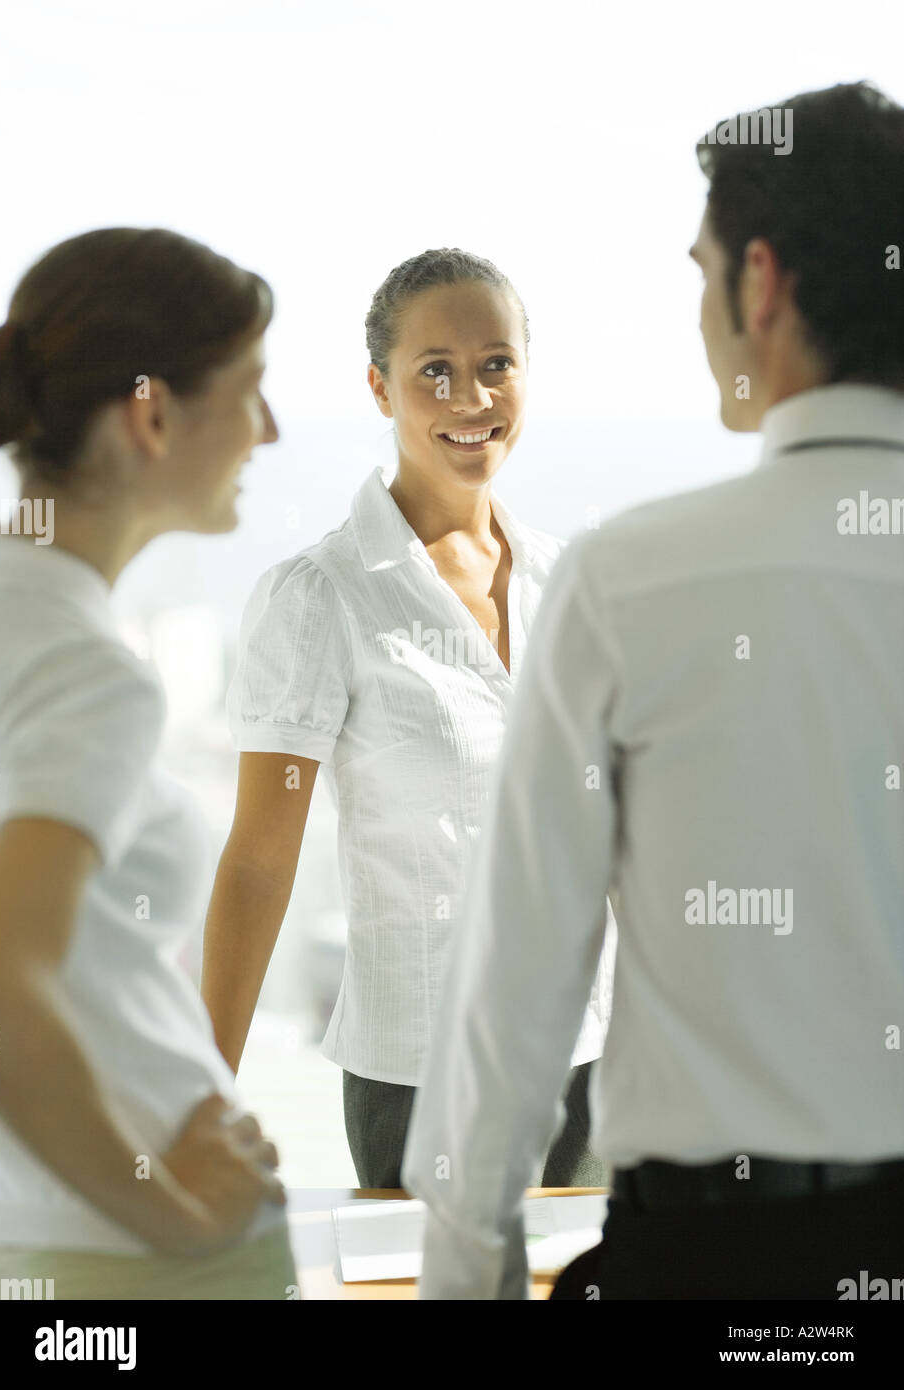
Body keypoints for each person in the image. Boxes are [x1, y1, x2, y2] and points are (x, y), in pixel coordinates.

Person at [402, 80, 904, 1299]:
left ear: (763, 284)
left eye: (702, 272)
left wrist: (468, 1272)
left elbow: (516, 985)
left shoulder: (630, 581)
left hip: (726, 1264)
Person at [202, 249, 614, 1189]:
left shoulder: (570, 583)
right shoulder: (318, 598)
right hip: (424, 1079)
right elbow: (261, 860)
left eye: (494, 364)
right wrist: (199, 1100)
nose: (470, 397)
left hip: (593, 1064)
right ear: (380, 389)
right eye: (435, 370)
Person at [0, 228, 296, 1299]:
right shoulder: (84, 667)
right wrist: (178, 1212)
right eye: (251, 391)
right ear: (153, 414)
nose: (271, 428)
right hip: (139, 1260)